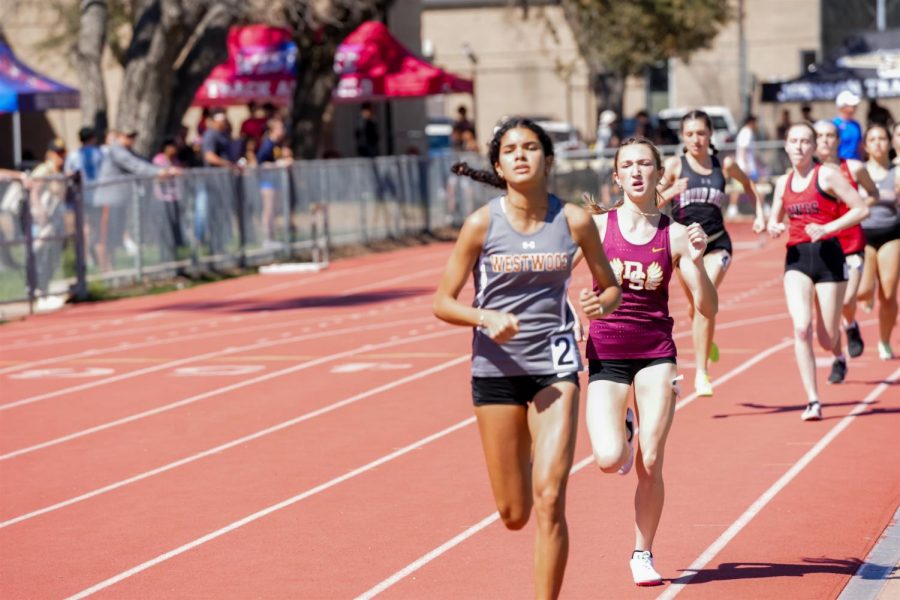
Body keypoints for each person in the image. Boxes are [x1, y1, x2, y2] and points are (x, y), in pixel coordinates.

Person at [432, 117, 622, 599]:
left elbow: (610, 285)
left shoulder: (573, 221)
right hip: (495, 369)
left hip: (555, 366)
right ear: (498, 164)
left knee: (551, 497)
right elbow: (442, 301)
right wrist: (483, 318)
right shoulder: (481, 224)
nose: (521, 155)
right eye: (511, 149)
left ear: (547, 159)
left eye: (531, 147)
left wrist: (604, 302)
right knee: (514, 513)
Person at [577, 137, 716, 587]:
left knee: (651, 462)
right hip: (607, 353)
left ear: (659, 174)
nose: (637, 172)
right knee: (608, 457)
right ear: (616, 177)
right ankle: (625, 427)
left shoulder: (673, 234)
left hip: (656, 353)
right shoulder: (598, 228)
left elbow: (708, 308)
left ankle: (642, 552)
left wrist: (697, 261)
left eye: (645, 164)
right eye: (628, 166)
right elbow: (556, 270)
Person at [658, 109, 765, 396]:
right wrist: (668, 193)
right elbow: (648, 202)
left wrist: (759, 213)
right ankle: (707, 340)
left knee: (704, 301)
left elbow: (748, 184)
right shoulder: (674, 166)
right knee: (696, 307)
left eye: (701, 133)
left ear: (710, 135)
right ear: (682, 136)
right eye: (690, 134)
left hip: (717, 243)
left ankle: (702, 373)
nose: (696, 139)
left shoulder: (724, 164)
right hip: (683, 248)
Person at [767, 122, 868, 421]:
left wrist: (827, 227)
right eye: (793, 140)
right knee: (801, 328)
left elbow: (861, 209)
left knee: (826, 337)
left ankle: (838, 353)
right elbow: (776, 219)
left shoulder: (826, 174)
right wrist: (773, 226)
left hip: (829, 258)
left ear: (814, 147)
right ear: (785, 145)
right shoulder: (782, 182)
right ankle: (813, 400)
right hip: (797, 259)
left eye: (805, 141)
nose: (799, 146)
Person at [813, 120, 880, 382]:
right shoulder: (809, 173)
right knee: (827, 313)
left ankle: (850, 325)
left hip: (851, 245)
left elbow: (872, 193)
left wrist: (857, 207)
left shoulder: (853, 167)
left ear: (838, 140)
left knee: (845, 300)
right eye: (820, 136)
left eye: (830, 135)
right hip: (821, 249)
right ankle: (839, 359)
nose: (825, 141)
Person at [857, 124, 900, 360]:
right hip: (863, 234)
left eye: (882, 138)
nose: (878, 143)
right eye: (872, 139)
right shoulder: (858, 171)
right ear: (865, 145)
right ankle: (867, 295)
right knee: (863, 291)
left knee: (889, 293)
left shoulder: (897, 171)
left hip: (891, 233)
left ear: (889, 142)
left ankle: (884, 341)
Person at [64, 126, 105, 269]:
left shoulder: (74, 155)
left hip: (82, 195)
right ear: (92, 138)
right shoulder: (100, 153)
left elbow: (68, 173)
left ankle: (87, 254)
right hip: (97, 194)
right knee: (96, 226)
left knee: (85, 226)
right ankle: (91, 254)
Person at [833, 90, 864, 160]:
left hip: (856, 162)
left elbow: (860, 146)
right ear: (842, 107)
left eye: (855, 106)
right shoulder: (834, 124)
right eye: (851, 105)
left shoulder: (856, 125)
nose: (854, 108)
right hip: (841, 162)